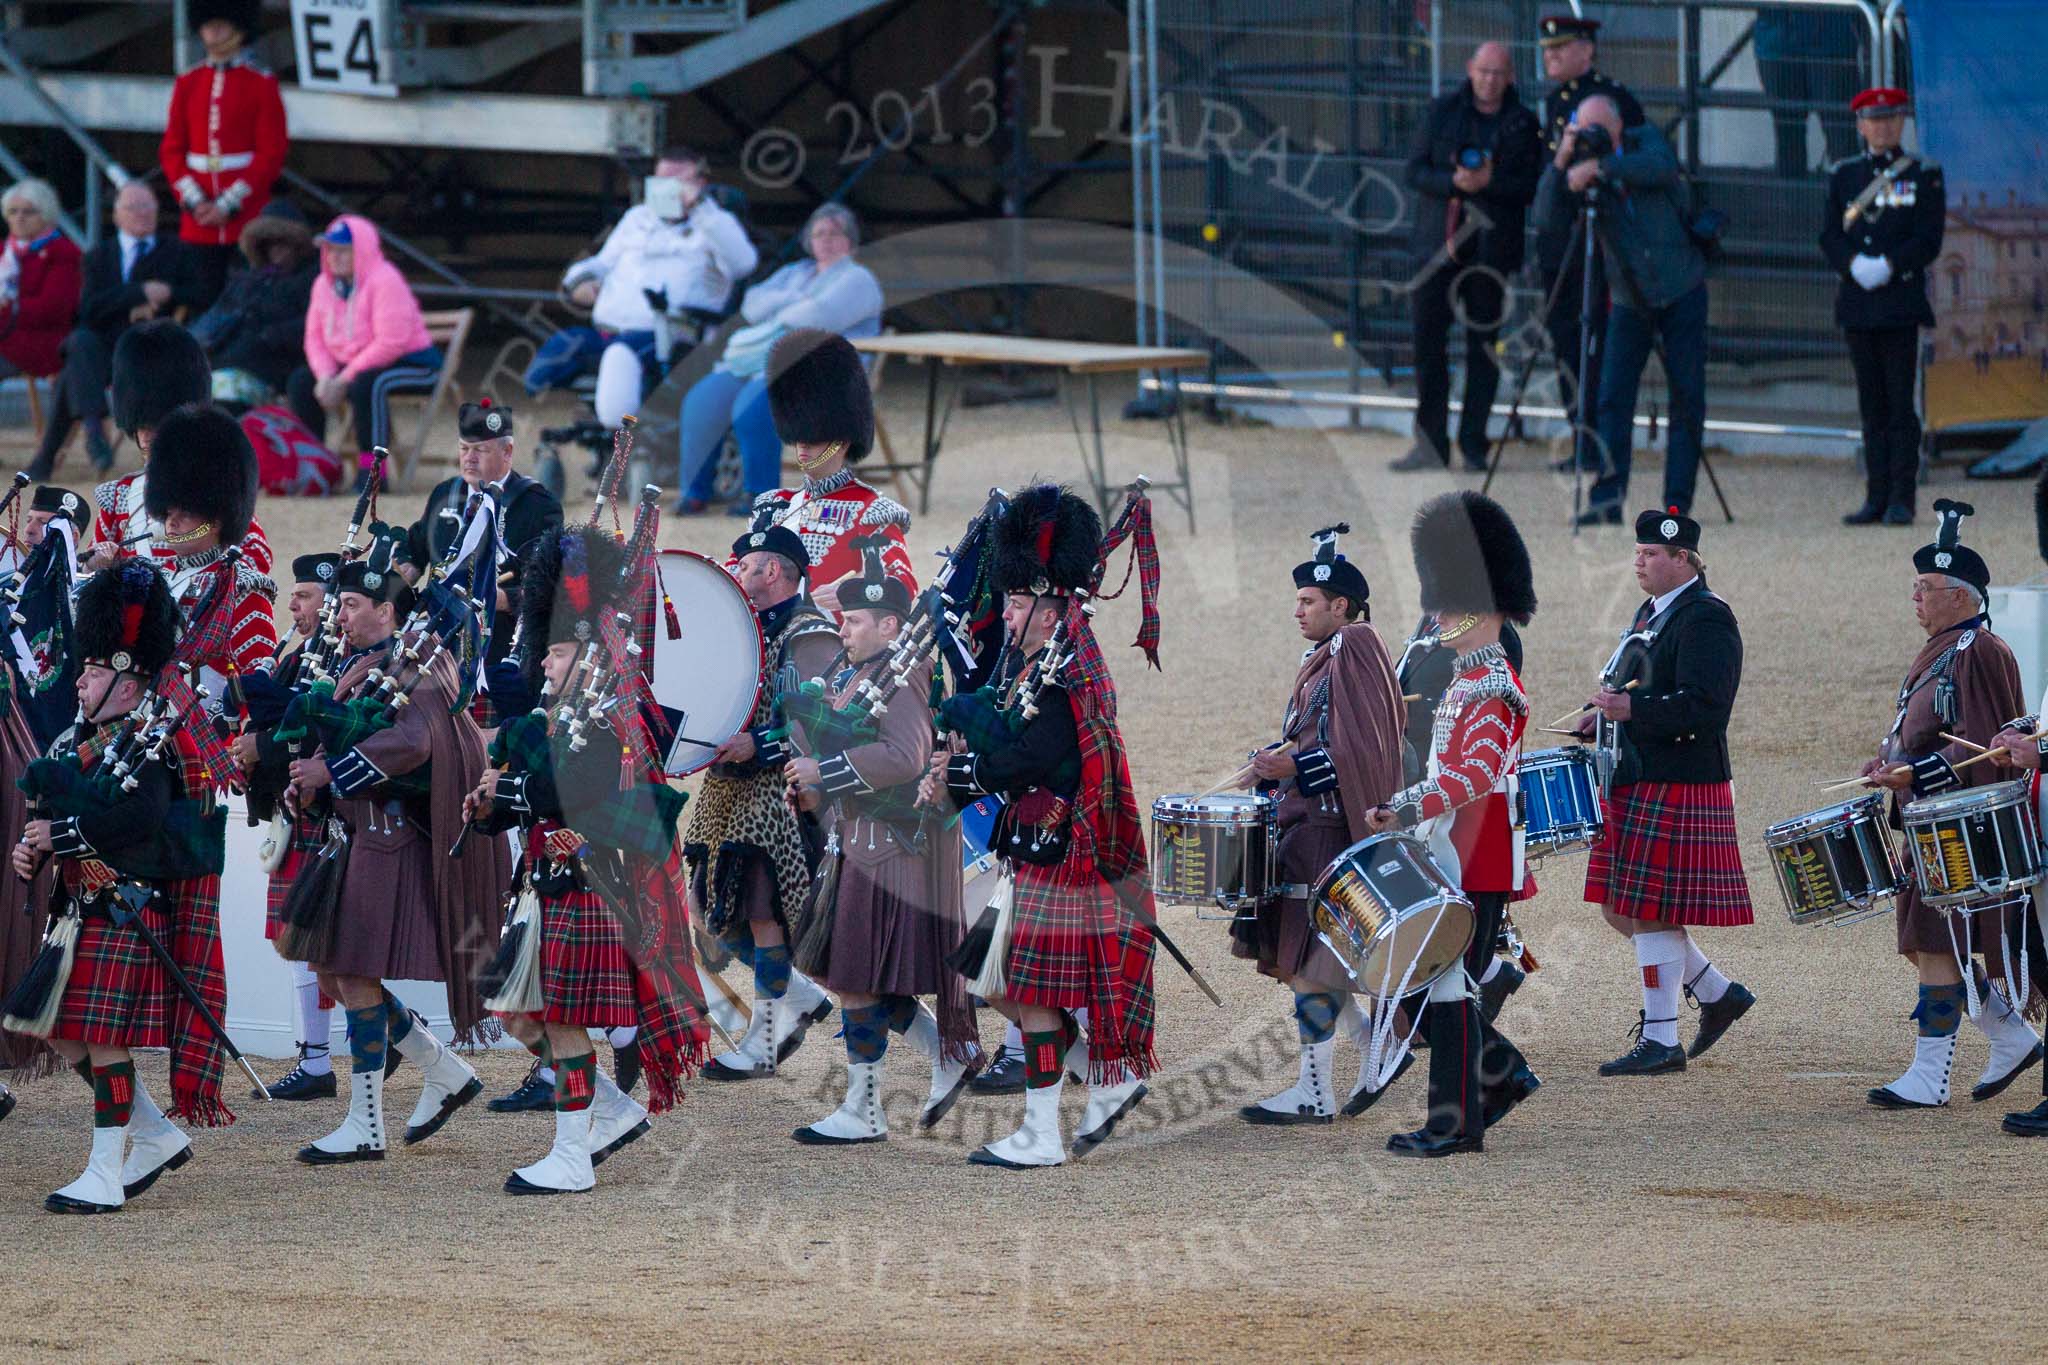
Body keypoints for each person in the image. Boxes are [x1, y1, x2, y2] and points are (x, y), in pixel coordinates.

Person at [463, 526, 712, 1193]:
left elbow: (571, 794)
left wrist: (513, 776)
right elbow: (540, 801)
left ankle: (572, 1156)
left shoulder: (608, 715)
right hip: (547, 885)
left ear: (591, 651)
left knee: (566, 1021)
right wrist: (491, 806)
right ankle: (610, 1107)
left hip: (589, 885)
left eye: (557, 651)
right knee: (515, 1008)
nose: (543, 663)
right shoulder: (563, 709)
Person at [931, 483, 1161, 1169]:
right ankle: (1111, 1077)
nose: (1008, 611)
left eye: (1020, 600)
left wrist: (962, 761)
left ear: (1054, 601)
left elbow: (1029, 754)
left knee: (1027, 994)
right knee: (995, 980)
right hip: (1032, 845)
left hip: (1062, 849)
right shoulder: (1046, 657)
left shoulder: (1069, 667)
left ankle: (1039, 1132)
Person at [9, 562, 233, 1213]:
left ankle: (105, 1169)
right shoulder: (92, 743)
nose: (78, 679)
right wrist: (33, 848)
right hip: (85, 911)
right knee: (59, 1029)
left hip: (128, 909)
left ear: (131, 683)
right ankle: (155, 1134)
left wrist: (64, 835)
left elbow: (138, 819)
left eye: (95, 670)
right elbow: (68, 817)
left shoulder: (151, 745)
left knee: (100, 1039)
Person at [283, 534, 509, 1165]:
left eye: (353, 604)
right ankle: (442, 1070)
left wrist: (334, 773)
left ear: (387, 610)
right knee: (334, 969)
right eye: (341, 605)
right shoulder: (358, 660)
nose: (342, 614)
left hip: (395, 838)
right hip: (355, 836)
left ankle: (366, 1122)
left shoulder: (422, 662)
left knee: (351, 970)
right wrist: (307, 777)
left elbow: (414, 742)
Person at [1358, 492, 1541, 1157]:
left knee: (1451, 981)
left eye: (1447, 604)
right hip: (1460, 842)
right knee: (1444, 981)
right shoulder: (1469, 677)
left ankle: (1456, 1121)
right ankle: (1462, 1113)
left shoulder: (1491, 683)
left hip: (1481, 847)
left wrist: (1405, 808)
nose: (1436, 617)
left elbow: (1474, 778)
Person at [782, 536, 980, 1144]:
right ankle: (953, 1053)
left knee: (858, 978)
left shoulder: (904, 674)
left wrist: (824, 772)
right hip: (860, 840)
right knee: (854, 974)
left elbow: (905, 755)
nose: (844, 630)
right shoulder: (860, 670)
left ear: (891, 624)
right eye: (844, 619)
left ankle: (864, 1108)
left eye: (857, 620)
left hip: (890, 845)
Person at [1859, 501, 2039, 1111]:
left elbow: (1984, 751)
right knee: (1922, 939)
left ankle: (1929, 1076)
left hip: (1965, 828)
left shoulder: (1978, 651)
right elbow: (1929, 732)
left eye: (1927, 588)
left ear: (1962, 597)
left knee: (1938, 942)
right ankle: (2010, 1035)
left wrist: (1914, 773)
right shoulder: (1945, 647)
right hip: (1934, 823)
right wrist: (1890, 764)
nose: (1916, 597)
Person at [1231, 524, 1405, 1123]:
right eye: (1299, 599)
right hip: (1309, 821)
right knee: (1310, 964)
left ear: (1342, 605)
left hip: (1328, 827)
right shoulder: (1332, 651)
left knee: (1309, 966)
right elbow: (1331, 736)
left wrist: (1294, 766)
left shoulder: (1355, 643)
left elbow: (1365, 748)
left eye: (1309, 601)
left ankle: (1320, 1087)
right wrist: (1275, 763)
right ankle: (1374, 1049)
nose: (1297, 610)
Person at [1580, 510, 1757, 1075]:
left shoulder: (1706, 617)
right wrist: (1600, 716)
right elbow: (1635, 684)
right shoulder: (1654, 612)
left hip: (1678, 777)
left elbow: (1708, 707)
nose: (1640, 560)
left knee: (1648, 911)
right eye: (1637, 551)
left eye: (1653, 553)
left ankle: (1661, 1040)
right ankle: (1717, 992)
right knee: (1618, 909)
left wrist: (1633, 710)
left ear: (1684, 559)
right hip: (1637, 774)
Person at [686, 515, 841, 1079]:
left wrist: (758, 743)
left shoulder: (809, 634)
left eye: (746, 565)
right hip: (730, 789)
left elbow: (816, 723)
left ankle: (767, 1039)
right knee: (708, 908)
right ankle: (797, 995)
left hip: (779, 796)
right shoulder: (746, 627)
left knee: (761, 918)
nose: (736, 572)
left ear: (773, 570)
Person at [1535, 96, 1708, 523]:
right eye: (1583, 130)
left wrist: (1604, 167)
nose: (1592, 139)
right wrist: (1562, 162)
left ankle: (1676, 506)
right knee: (1612, 397)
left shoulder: (1644, 141)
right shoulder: (1575, 164)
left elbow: (1661, 167)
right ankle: (1607, 497)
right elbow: (1545, 217)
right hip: (1628, 300)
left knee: (1686, 398)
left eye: (1598, 131)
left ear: (1615, 129)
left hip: (1680, 289)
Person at [525, 147, 758, 428]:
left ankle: (622, 428)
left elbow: (743, 264)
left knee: (622, 353)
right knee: (560, 349)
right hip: (612, 329)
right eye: (661, 180)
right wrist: (579, 283)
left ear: (699, 183)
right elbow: (600, 263)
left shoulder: (717, 223)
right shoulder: (638, 218)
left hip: (677, 335)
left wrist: (696, 207)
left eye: (678, 181)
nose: (667, 188)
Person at [673, 204, 883, 514]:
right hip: (763, 361)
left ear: (850, 239)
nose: (826, 239)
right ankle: (695, 493)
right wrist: (791, 305)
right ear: (808, 240)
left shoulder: (858, 278)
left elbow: (817, 316)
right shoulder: (794, 273)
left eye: (835, 233)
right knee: (701, 401)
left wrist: (778, 309)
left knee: (753, 405)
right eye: (819, 233)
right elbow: (752, 304)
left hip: (823, 373)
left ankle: (762, 495)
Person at [1393, 41, 1542, 473]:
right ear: (1470, 70)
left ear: (1511, 76)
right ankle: (1430, 444)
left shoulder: (1521, 123)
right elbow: (1414, 171)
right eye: (1483, 71)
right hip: (1436, 247)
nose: (1490, 80)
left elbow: (1530, 186)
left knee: (1483, 349)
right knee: (1427, 346)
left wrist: (1488, 184)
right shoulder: (1441, 112)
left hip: (1491, 253)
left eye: (1498, 73)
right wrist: (1455, 183)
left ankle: (1473, 443)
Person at [233, 552, 342, 1101]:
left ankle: (327, 1058)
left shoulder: (343, 661)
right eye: (293, 595)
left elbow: (315, 735)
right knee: (298, 941)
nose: (292, 605)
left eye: (305, 596)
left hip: (322, 814)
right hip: (288, 808)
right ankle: (326, 1056)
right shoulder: (291, 654)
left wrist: (262, 749)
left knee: (315, 943)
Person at [1822, 88, 1946, 527]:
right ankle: (1874, 496)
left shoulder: (1922, 174)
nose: (1883, 127)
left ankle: (1902, 497)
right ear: (1860, 125)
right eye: (1875, 120)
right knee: (1871, 405)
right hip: (1858, 301)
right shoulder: (1844, 174)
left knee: (1899, 406)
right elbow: (1829, 235)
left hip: (1898, 300)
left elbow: (1929, 237)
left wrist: (1890, 265)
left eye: (1891, 119)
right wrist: (1853, 263)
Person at [728, 329, 914, 616]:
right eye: (799, 438)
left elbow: (902, 586)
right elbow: (733, 573)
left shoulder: (872, 510)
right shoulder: (772, 507)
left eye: (813, 440)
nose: (802, 446)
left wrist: (851, 593)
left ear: (841, 442)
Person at [27, 181, 198, 480]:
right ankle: (92, 432)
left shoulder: (177, 251)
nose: (143, 213)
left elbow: (200, 294)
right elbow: (88, 309)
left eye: (149, 206)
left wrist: (167, 294)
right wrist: (139, 292)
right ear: (117, 216)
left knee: (73, 369)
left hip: (148, 353)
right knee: (81, 341)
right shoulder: (99, 256)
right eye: (134, 207)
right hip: (102, 351)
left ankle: (73, 443)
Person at [1534, 15, 1643, 466]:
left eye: (1561, 48)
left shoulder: (1614, 99)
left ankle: (1600, 440)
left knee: (1599, 342)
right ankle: (1580, 435)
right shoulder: (1553, 102)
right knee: (1565, 339)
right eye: (1547, 49)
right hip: (1564, 242)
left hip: (1604, 241)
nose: (1551, 56)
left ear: (1587, 49)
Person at [87, 320, 274, 577]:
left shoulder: (212, 489)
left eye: (159, 424)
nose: (150, 434)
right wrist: (95, 565)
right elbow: (91, 565)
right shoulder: (119, 497)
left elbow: (256, 557)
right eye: (143, 425)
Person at [400, 399, 563, 666]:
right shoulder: (446, 494)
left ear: (507, 451)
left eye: (481, 450)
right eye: (464, 449)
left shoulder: (538, 506)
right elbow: (415, 546)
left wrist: (497, 599)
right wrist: (406, 566)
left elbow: (547, 588)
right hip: (438, 635)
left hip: (503, 643)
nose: (469, 458)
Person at [286, 215, 441, 483]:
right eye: (331, 249)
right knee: (301, 381)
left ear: (363, 250)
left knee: (369, 384)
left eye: (343, 250)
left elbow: (390, 343)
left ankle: (371, 470)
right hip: (355, 366)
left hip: (414, 364)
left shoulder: (385, 280)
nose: (335, 256)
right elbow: (314, 339)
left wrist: (342, 380)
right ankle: (315, 467)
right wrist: (325, 377)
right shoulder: (323, 285)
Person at [159, 1, 287, 307]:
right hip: (198, 217)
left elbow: (271, 153)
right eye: (207, 24)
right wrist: (195, 200)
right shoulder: (188, 82)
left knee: (249, 300)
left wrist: (229, 203)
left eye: (221, 24)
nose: (212, 30)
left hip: (244, 214)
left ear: (238, 28)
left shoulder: (260, 83)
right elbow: (172, 149)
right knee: (200, 299)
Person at [142, 402, 277, 691]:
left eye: (186, 513)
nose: (172, 523)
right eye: (168, 513)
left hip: (209, 725)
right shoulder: (157, 576)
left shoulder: (241, 586)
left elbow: (255, 678)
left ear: (215, 522)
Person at [191, 199, 318, 411]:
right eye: (269, 243)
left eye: (283, 242)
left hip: (277, 361)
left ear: (298, 245)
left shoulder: (312, 279)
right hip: (226, 356)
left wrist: (270, 334)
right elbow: (216, 316)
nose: (276, 250)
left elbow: (314, 324)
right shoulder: (247, 279)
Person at [0, 178, 83, 408]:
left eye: (28, 212)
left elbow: (54, 308)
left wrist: (7, 309)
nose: (19, 218)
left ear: (46, 214)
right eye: (13, 211)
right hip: (8, 335)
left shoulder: (63, 252)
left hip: (43, 340)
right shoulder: (3, 250)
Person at [1754, 7, 1861, 179]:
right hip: (1778, 40)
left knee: (1841, 139)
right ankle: (1791, 203)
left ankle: (1851, 202)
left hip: (1832, 39)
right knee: (1788, 138)